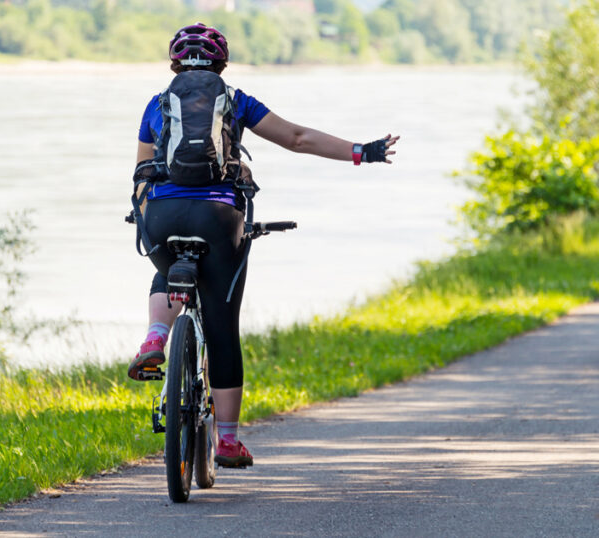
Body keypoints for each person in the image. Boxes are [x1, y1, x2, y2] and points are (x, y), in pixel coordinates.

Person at [127, 23, 399, 468]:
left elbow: (141, 174)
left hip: (162, 217)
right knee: (221, 325)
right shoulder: (236, 102)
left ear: (175, 63)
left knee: (166, 267)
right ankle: (228, 442)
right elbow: (296, 138)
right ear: (221, 63)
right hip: (218, 219)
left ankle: (156, 336)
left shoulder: (156, 106)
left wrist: (147, 219)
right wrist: (360, 151)